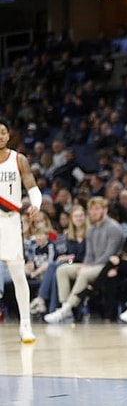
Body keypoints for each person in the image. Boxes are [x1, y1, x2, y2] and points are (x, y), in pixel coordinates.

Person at [44, 196, 124, 323]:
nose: (93, 212)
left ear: (105, 210)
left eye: (97, 209)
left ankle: (67, 308)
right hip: (92, 265)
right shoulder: (91, 229)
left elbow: (109, 254)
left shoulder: (114, 228)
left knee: (84, 273)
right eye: (91, 210)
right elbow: (89, 253)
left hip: (106, 266)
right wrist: (85, 264)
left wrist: (88, 266)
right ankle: (66, 308)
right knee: (62, 270)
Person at [0, 118, 43, 343]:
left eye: (3, 132)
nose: (0, 136)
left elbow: (32, 188)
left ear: (8, 135)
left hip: (9, 220)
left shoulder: (19, 159)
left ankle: (25, 324)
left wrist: (36, 204)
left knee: (17, 274)